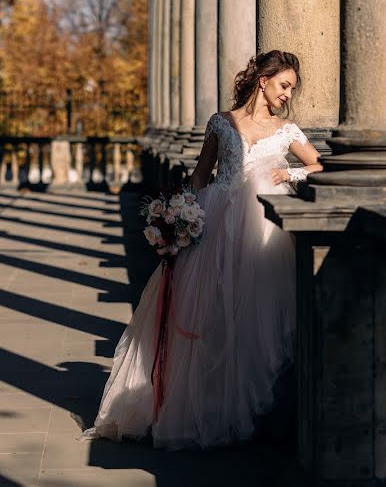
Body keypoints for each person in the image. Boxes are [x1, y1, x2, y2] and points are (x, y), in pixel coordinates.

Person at [83, 50, 323, 449]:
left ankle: (248, 412)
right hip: (216, 223)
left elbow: (319, 166)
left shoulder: (288, 130)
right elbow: (199, 175)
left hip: (263, 232)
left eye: (292, 89)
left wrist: (289, 172)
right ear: (262, 81)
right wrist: (175, 218)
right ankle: (206, 410)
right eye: (284, 85)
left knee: (253, 321)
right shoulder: (221, 122)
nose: (287, 94)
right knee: (208, 318)